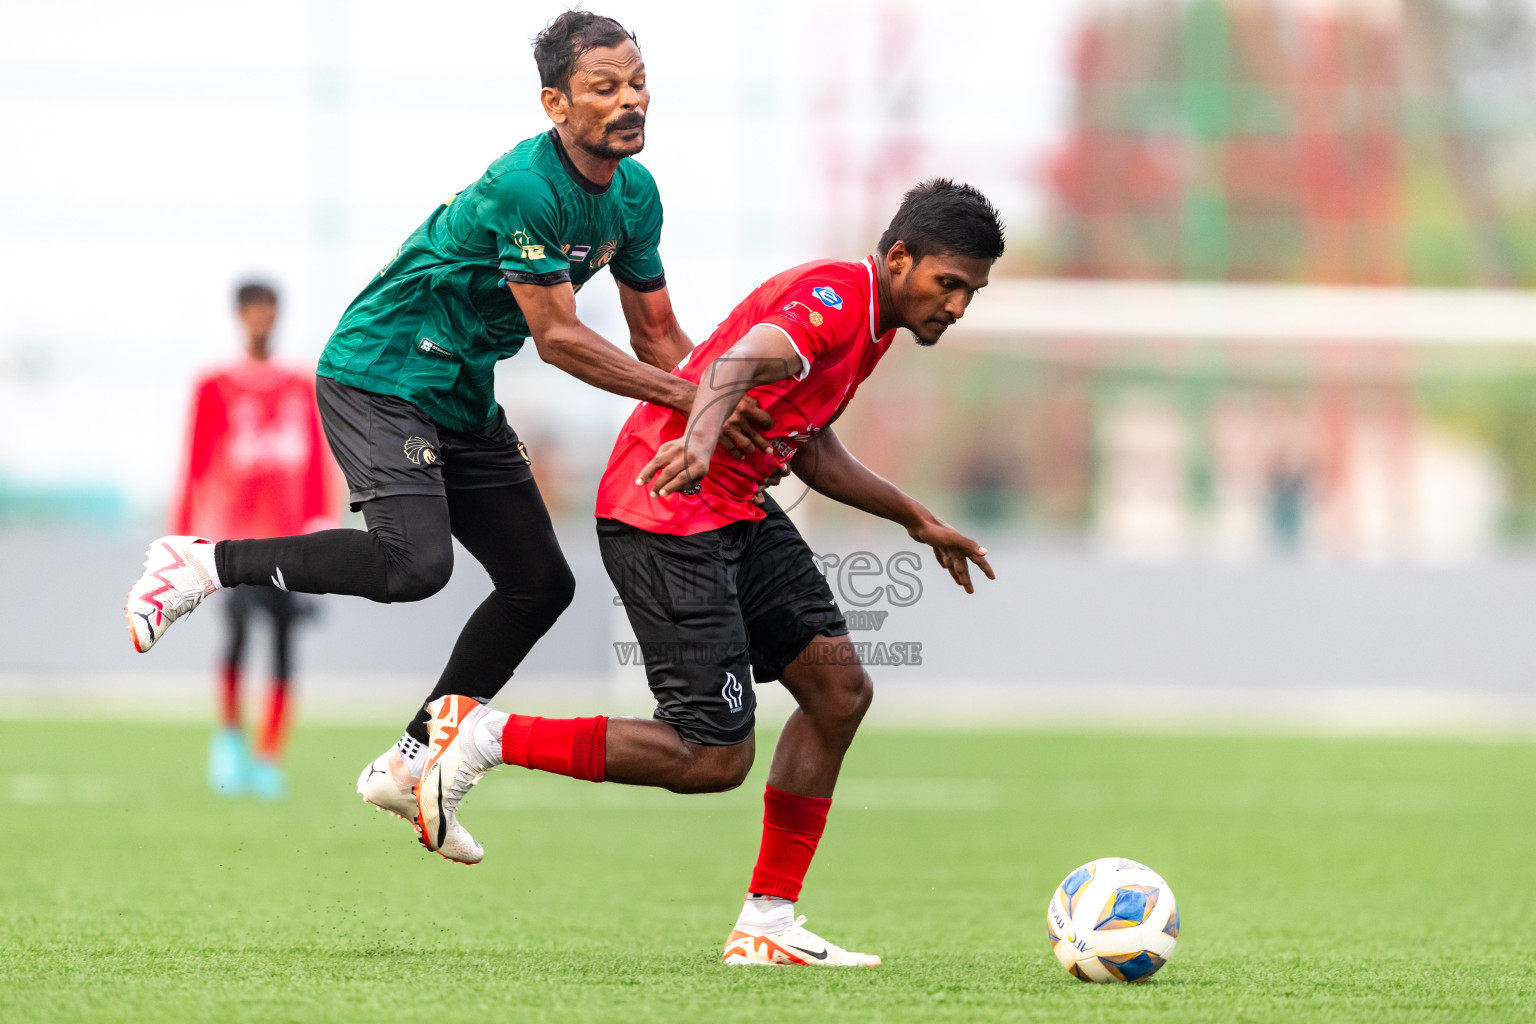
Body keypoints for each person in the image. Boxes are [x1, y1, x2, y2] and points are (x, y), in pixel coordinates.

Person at [124, 11, 768, 861]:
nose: (629, 100)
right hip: (379, 368)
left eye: (638, 81)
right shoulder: (525, 187)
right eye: (604, 87)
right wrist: (694, 405)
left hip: (458, 388)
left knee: (541, 583)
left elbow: (658, 339)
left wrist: (724, 397)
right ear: (555, 103)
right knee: (414, 565)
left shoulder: (638, 194)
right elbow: (561, 338)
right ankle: (201, 564)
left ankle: (414, 757)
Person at [413, 179, 1003, 966]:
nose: (958, 306)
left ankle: (768, 924)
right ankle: (477, 738)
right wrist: (699, 437)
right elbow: (745, 356)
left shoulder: (873, 326)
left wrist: (913, 517)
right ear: (900, 258)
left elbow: (810, 444)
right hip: (664, 508)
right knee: (713, 757)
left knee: (839, 692)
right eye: (950, 284)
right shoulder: (833, 299)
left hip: (732, 507)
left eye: (972, 292)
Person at [169, 281, 339, 798]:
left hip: (291, 541)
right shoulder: (215, 385)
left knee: (286, 642)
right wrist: (182, 539)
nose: (262, 318)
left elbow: (314, 462)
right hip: (239, 541)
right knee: (239, 633)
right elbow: (195, 465)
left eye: (270, 309)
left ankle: (269, 756)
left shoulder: (298, 385)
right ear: (240, 315)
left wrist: (321, 527)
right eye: (254, 309)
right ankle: (228, 740)